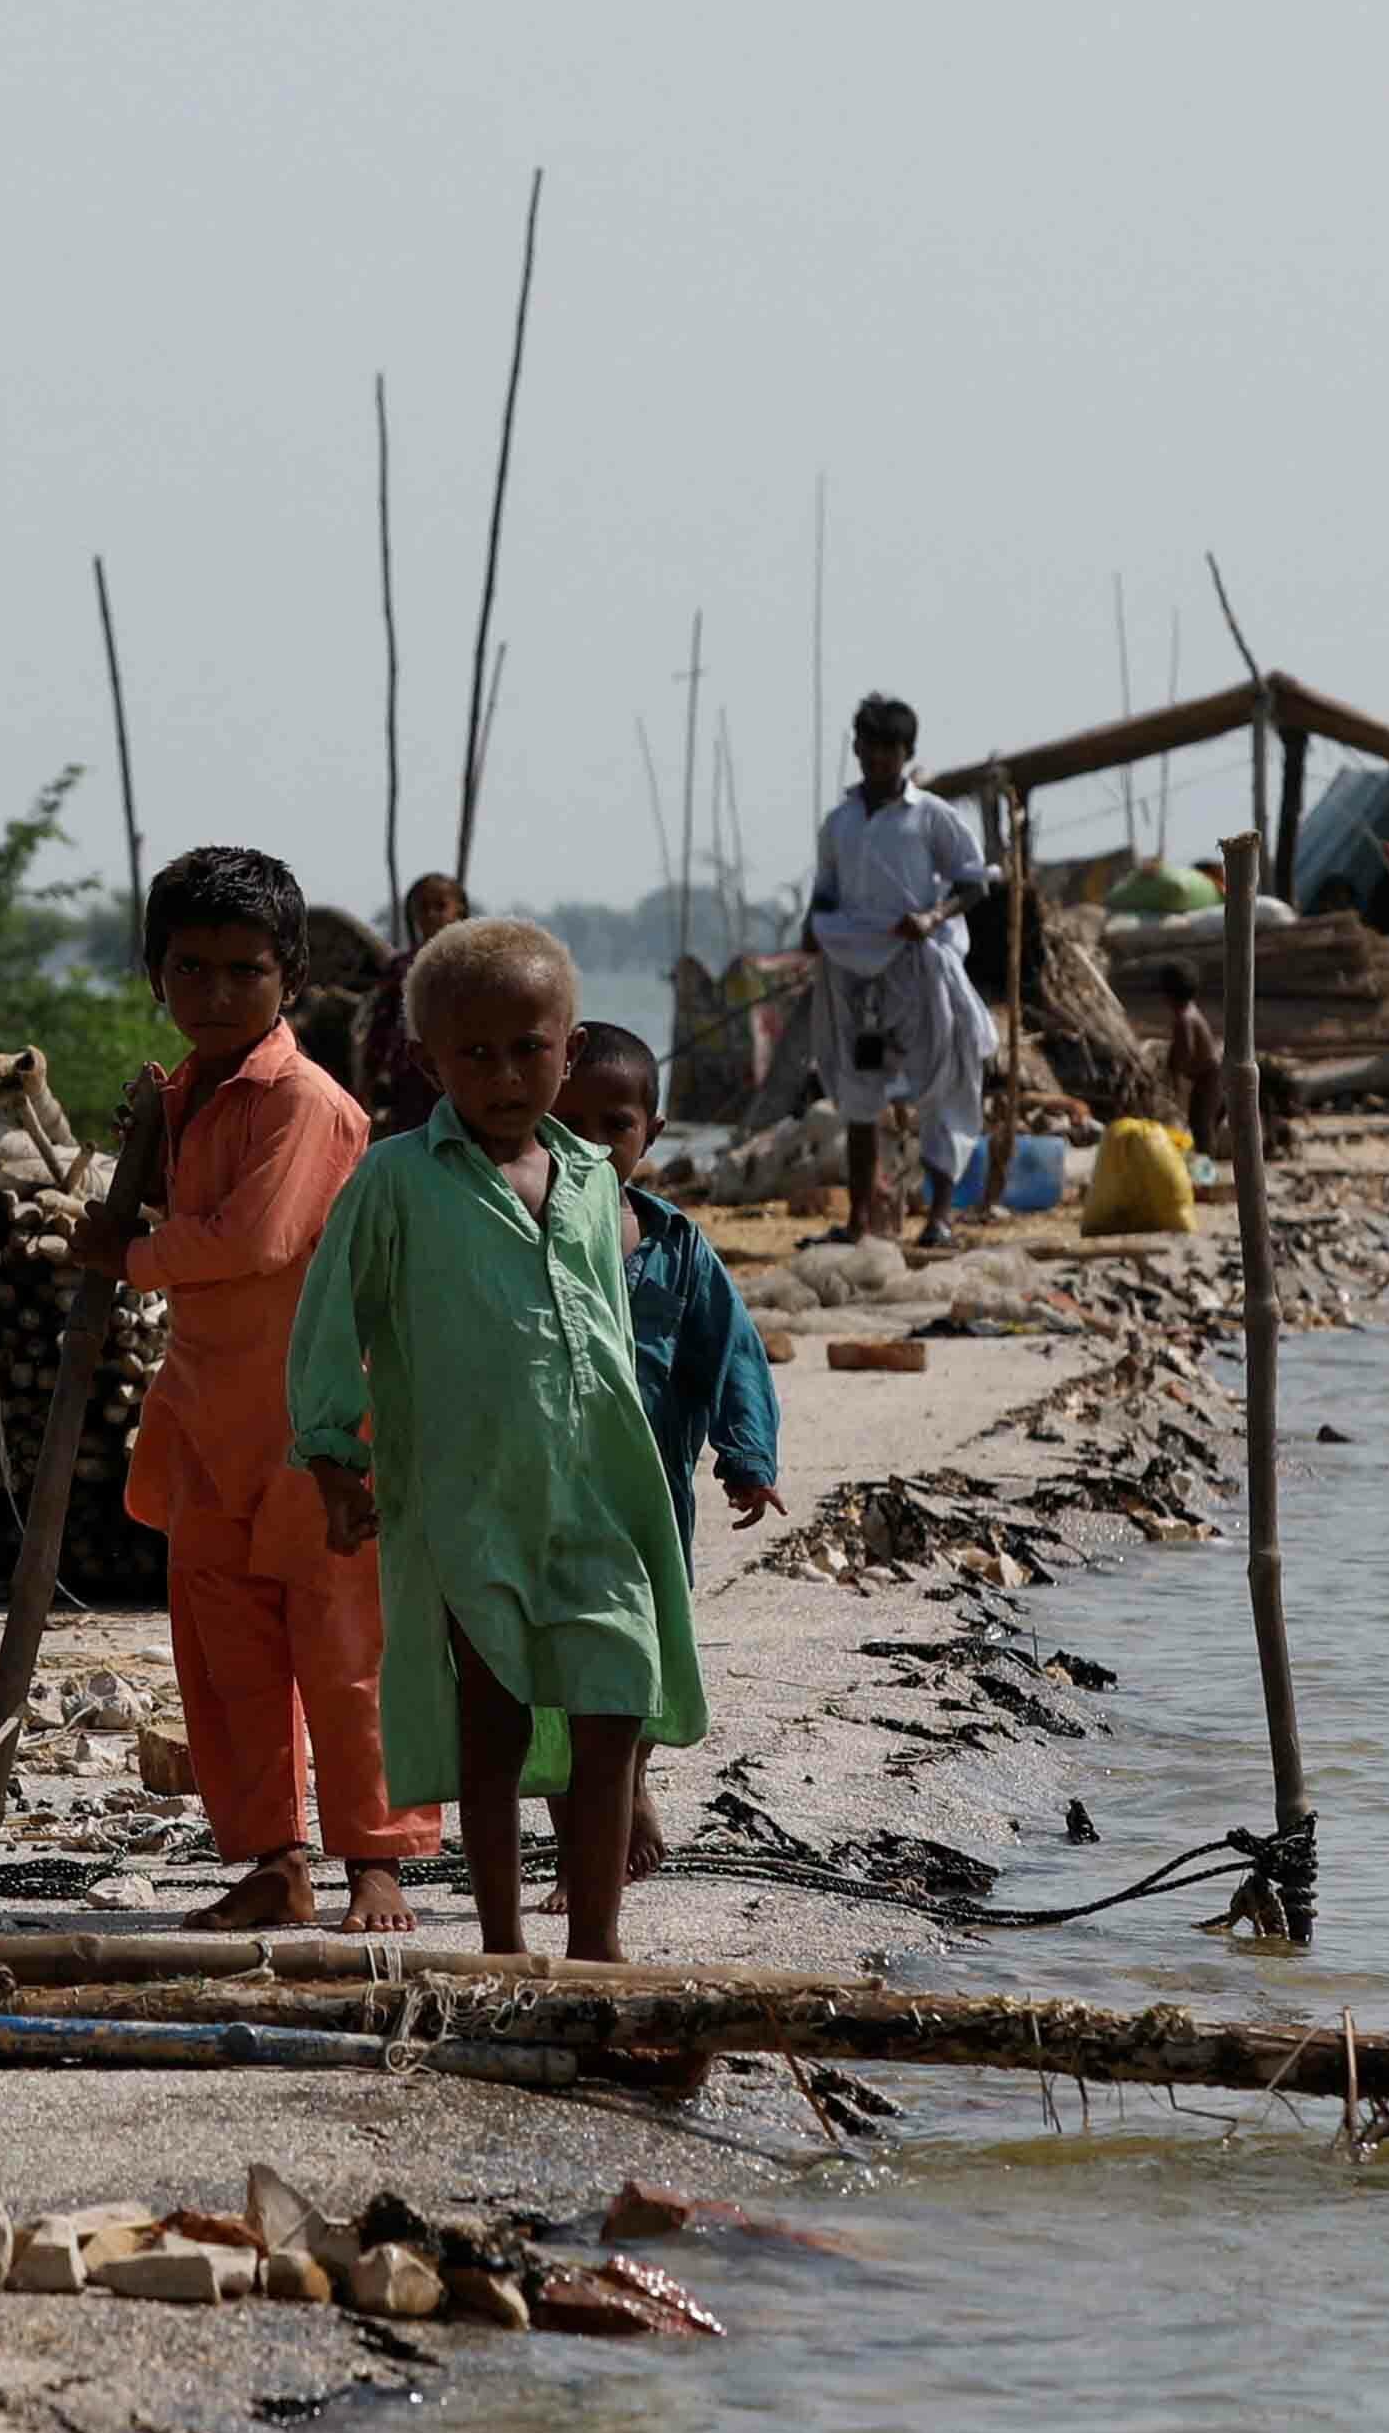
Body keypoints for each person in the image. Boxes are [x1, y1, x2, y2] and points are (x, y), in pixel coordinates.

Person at [292, 921, 707, 1975]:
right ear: (430, 1063)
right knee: (496, 1717)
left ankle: (598, 1947)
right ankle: (501, 1945)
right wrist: (336, 1462)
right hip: (467, 1499)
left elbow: (606, 1330)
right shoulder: (396, 1182)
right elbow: (332, 1321)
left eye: (528, 1049)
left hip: (597, 1496)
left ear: (567, 1051)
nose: (505, 1075)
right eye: (473, 1055)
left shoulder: (589, 1181)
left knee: (615, 1698)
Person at [80, 845, 439, 1935]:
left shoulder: (307, 1102)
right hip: (207, 1415)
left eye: (244, 972)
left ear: (290, 976)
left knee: (342, 1646)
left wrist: (126, 1256)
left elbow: (258, 1237)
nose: (216, 994)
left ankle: (376, 1861)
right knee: (226, 1655)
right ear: (154, 975)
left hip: (323, 1424)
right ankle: (275, 1860)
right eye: (191, 970)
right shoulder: (183, 1096)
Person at [551, 1021, 780, 1884]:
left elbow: (732, 1352)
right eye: (569, 1125)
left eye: (615, 1126)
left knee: (634, 1661)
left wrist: (748, 1455)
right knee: (560, 1669)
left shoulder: (675, 1245)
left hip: (649, 1500)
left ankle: (632, 1783)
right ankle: (582, 1843)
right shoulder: (513, 1232)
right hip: (547, 1494)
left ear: (652, 1132)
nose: (592, 1147)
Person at [764, 695, 997, 1249]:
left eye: (889, 749)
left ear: (905, 752)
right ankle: (859, 1222)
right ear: (857, 750)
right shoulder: (840, 823)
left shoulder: (933, 816)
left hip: (917, 967)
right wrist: (810, 930)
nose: (878, 759)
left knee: (944, 1084)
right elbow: (825, 891)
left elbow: (974, 882)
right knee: (856, 1094)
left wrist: (932, 916)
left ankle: (939, 1216)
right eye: (868, 747)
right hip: (849, 969)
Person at [354, 871, 469, 1128]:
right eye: (424, 908)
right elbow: (381, 1028)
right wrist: (369, 1082)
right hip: (410, 1081)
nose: (431, 915)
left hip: (462, 1078)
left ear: (459, 909)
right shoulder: (402, 968)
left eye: (440, 906)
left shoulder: (473, 965)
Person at [1141, 959, 1232, 1150]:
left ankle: (1205, 1171)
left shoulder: (1184, 1018)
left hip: (1209, 1077)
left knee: (1201, 1125)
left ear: (1167, 994)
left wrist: (1174, 1075)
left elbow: (1186, 1051)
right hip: (1211, 1074)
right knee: (1205, 1124)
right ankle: (1205, 1166)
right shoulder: (1189, 1012)